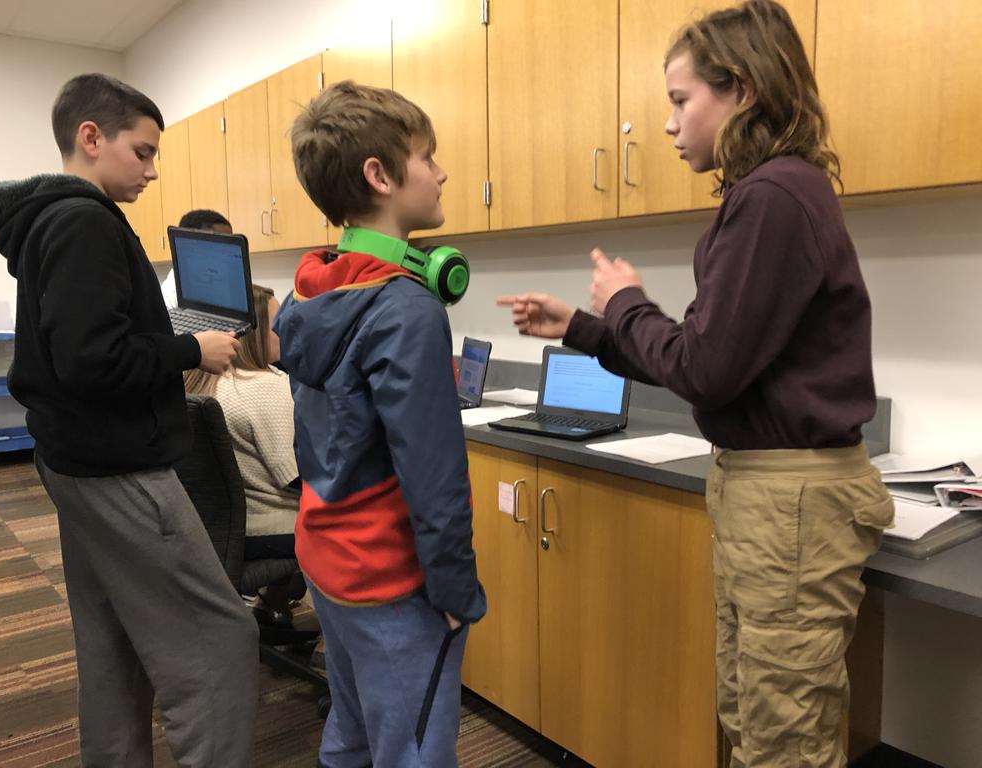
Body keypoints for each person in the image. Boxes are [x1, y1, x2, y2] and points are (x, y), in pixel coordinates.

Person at [498, 3, 894, 766]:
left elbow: (705, 369)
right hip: (766, 494)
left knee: (784, 740)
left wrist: (624, 303)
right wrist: (586, 327)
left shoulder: (775, 196)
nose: (669, 124)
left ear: (741, 89)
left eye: (682, 101)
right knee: (752, 714)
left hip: (789, 501)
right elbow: (705, 357)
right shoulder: (768, 195)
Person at [0, 73, 258, 768]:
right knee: (222, 641)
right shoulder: (84, 222)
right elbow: (91, 360)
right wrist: (192, 349)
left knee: (111, 639)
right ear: (91, 137)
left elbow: (78, 348)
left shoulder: (47, 219)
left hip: (74, 460)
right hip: (119, 468)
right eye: (142, 151)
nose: (152, 170)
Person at [273, 80, 486, 767]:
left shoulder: (311, 291)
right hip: (391, 580)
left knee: (352, 734)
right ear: (381, 176)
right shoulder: (406, 310)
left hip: (326, 556)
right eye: (428, 156)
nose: (442, 172)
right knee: (413, 752)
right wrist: (454, 591)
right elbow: (434, 476)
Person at [183, 283, 303, 625]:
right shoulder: (267, 388)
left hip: (211, 530)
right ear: (252, 334)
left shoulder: (194, 380)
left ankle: (273, 604)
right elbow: (298, 478)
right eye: (277, 323)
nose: (285, 331)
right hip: (268, 528)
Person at [161, 208, 232, 308]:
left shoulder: (214, 281)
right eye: (220, 245)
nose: (227, 253)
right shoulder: (171, 298)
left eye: (229, 244)